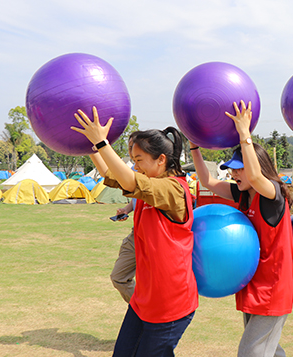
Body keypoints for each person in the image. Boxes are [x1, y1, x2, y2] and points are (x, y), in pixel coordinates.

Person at [72, 107, 198, 357]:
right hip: (145, 298)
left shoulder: (174, 190)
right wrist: (93, 148)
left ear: (161, 159)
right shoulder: (149, 186)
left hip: (170, 303)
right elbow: (112, 175)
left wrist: (102, 141)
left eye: (139, 159)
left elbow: (130, 181)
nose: (135, 166)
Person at [190, 100, 293, 357]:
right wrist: (194, 146)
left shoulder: (272, 194)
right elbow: (208, 181)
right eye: (233, 170)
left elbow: (258, 177)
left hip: (273, 286)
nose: (234, 175)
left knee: (251, 352)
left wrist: (244, 133)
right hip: (251, 281)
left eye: (240, 169)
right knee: (270, 349)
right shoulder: (242, 193)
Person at [109, 198, 137, 304]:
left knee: (156, 282)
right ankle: (142, 309)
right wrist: (126, 210)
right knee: (118, 277)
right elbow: (135, 200)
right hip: (135, 235)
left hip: (156, 237)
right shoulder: (137, 184)